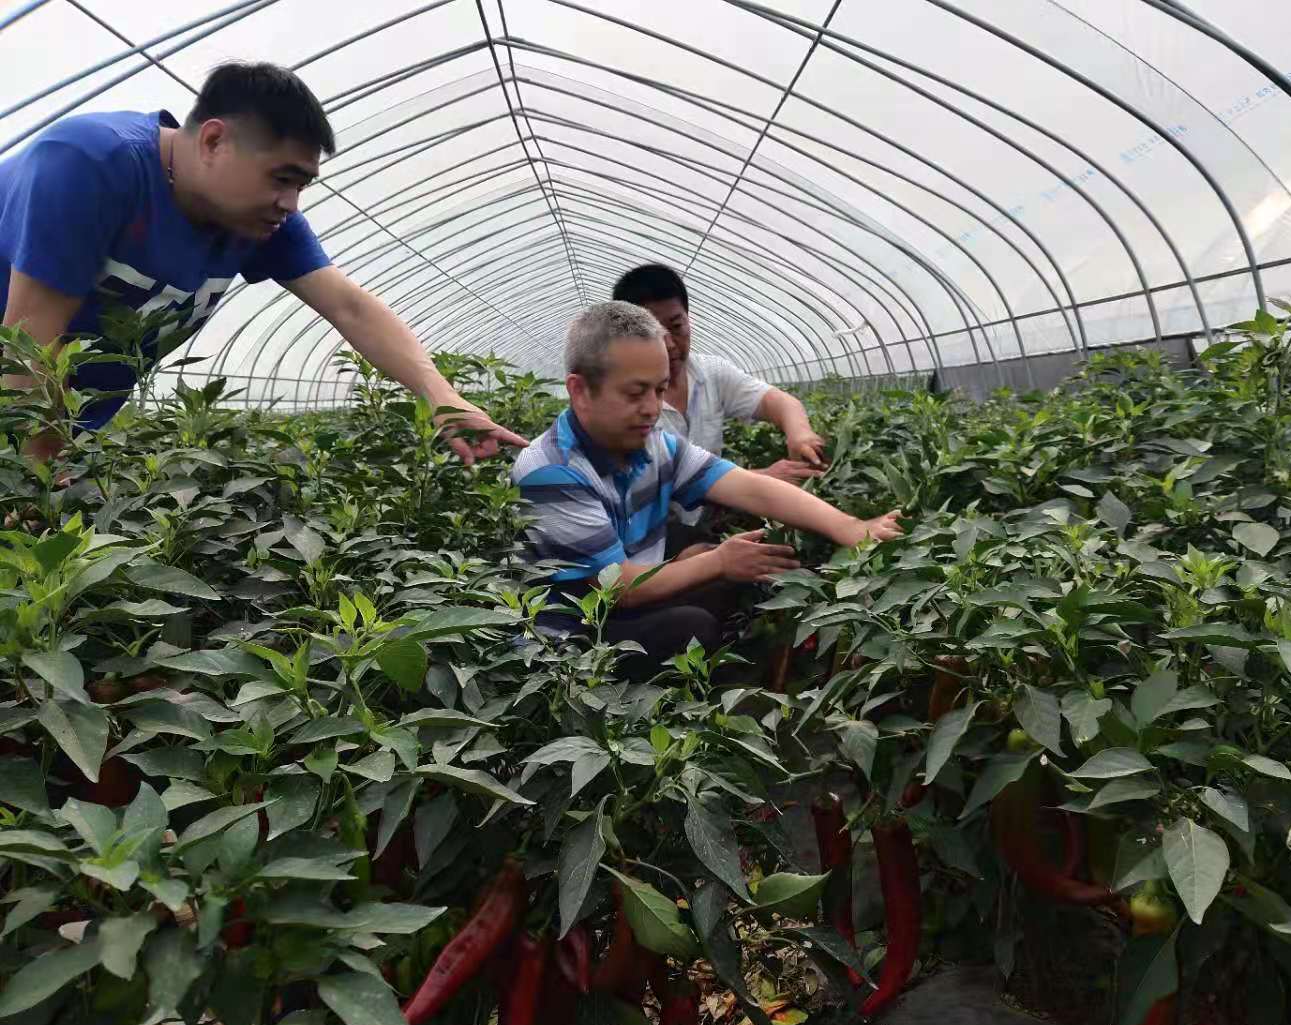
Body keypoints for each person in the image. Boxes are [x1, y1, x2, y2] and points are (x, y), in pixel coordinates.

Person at [0, 61, 524, 462]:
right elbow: (28, 344)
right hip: (21, 428)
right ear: (213, 141)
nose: (290, 203)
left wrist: (442, 396)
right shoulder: (91, 165)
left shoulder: (256, 220)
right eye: (282, 178)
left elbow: (350, 308)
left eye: (302, 184)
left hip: (54, 438)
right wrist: (36, 476)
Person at [512, 301, 902, 675]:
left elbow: (750, 488)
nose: (652, 408)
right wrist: (716, 562)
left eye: (660, 390)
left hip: (622, 595)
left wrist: (851, 527)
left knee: (721, 575)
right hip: (571, 639)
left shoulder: (655, 445)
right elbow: (618, 588)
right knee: (691, 627)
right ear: (580, 391)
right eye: (635, 393)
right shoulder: (551, 470)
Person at [611, 264, 826, 550]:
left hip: (703, 521)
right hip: (645, 537)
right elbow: (650, 491)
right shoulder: (619, 401)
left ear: (688, 319)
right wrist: (760, 480)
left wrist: (800, 434)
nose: (670, 344)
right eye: (653, 333)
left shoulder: (710, 373)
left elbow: (778, 401)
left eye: (676, 326)